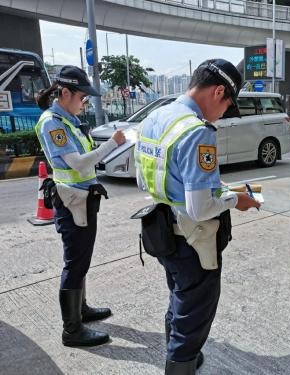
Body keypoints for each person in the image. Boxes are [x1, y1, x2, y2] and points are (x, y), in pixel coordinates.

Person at [135, 59, 261, 374]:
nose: (224, 114)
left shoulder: (155, 117)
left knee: (180, 301)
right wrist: (237, 199)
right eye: (228, 106)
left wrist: (207, 189)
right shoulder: (198, 131)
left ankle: (182, 354)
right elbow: (200, 208)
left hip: (161, 231)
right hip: (193, 241)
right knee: (194, 317)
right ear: (219, 92)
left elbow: (143, 180)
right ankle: (181, 359)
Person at [35, 65, 126, 347]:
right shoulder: (53, 123)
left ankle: (81, 310)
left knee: (81, 260)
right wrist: (112, 144)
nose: (84, 102)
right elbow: (78, 163)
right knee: (75, 263)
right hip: (71, 201)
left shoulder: (68, 120)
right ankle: (71, 330)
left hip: (83, 199)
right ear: (64, 93)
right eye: (81, 97)